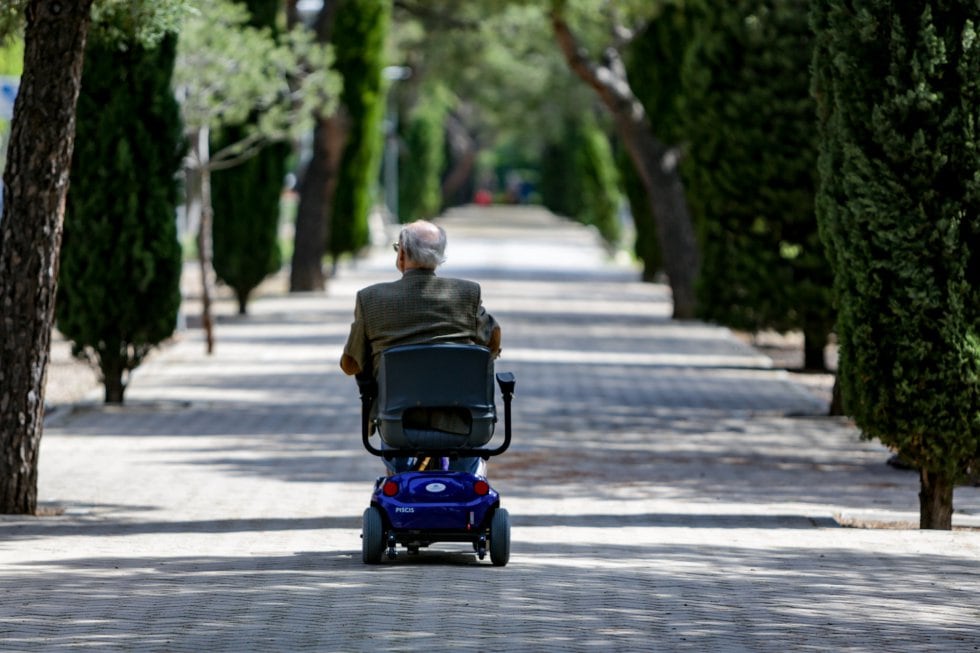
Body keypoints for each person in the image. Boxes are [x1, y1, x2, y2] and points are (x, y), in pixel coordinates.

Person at [340, 220, 501, 475]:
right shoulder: (467, 293)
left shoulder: (371, 299)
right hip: (463, 421)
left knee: (396, 462)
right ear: (439, 257)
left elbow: (352, 364)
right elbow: (492, 343)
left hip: (400, 424)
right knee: (468, 464)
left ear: (402, 253)